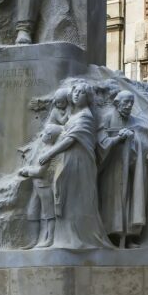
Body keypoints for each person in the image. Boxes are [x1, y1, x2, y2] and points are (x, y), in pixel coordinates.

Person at [37, 81, 111, 250]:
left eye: (82, 93)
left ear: (88, 97)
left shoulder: (86, 116)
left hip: (79, 161)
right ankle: (65, 237)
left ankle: (78, 237)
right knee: (67, 197)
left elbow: (71, 139)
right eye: (76, 91)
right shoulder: (73, 114)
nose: (77, 94)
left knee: (76, 198)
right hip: (69, 160)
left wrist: (49, 153)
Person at [97, 90, 148, 249]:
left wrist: (134, 139)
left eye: (131, 103)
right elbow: (101, 143)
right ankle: (111, 236)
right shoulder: (106, 119)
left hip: (130, 166)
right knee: (112, 201)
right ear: (116, 103)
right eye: (126, 102)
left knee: (130, 199)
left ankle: (129, 236)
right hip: (111, 167)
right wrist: (118, 138)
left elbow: (144, 143)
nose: (129, 106)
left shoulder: (136, 121)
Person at [19, 123, 63, 248]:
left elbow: (40, 171)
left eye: (44, 133)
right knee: (32, 212)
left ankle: (49, 239)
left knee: (48, 213)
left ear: (49, 137)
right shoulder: (42, 148)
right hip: (36, 186)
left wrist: (27, 171)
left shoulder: (49, 151)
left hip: (45, 186)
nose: (42, 135)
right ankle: (33, 240)